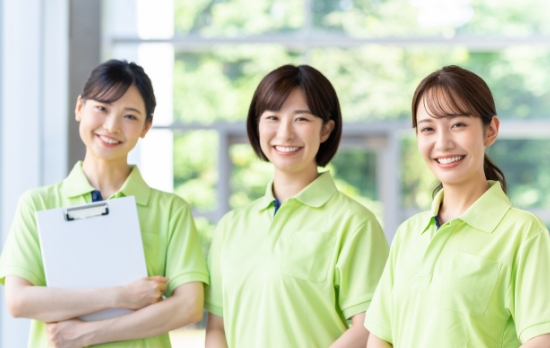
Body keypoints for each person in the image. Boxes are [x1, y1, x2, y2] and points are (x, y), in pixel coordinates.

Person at [0, 59, 209, 348]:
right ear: (79, 108)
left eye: (130, 116)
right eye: (102, 108)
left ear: (146, 127)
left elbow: (188, 307)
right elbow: (19, 300)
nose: (111, 126)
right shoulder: (37, 204)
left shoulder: (171, 211)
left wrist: (87, 334)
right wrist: (120, 296)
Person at [204, 64, 389, 348]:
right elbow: (218, 327)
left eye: (301, 119)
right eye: (272, 118)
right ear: (257, 125)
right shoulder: (231, 226)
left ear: (326, 129)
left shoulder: (354, 223)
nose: (285, 133)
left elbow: (369, 328)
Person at [365, 65, 550, 347]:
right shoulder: (408, 234)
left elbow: (541, 340)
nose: (442, 143)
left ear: (490, 130)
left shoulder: (524, 233)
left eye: (457, 125)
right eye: (427, 128)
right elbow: (380, 339)